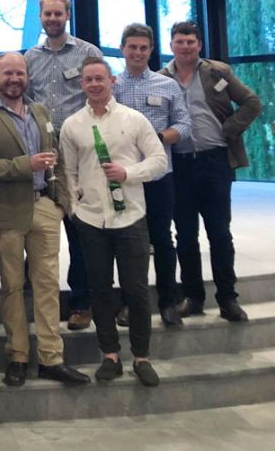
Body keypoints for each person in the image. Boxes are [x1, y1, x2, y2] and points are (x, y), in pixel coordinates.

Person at [0, 52, 90, 387]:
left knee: (48, 285)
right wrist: (27, 165)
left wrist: (62, 202)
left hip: (45, 209)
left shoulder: (40, 111)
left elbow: (57, 157)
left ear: (26, 76)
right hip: (7, 213)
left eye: (19, 72)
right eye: (8, 73)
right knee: (13, 287)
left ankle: (51, 358)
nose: (14, 78)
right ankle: (17, 355)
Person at [59, 57, 167, 387]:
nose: (94, 84)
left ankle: (142, 356)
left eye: (100, 79)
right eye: (88, 79)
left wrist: (128, 173)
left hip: (131, 216)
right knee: (100, 290)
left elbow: (159, 161)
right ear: (82, 84)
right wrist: (76, 207)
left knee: (136, 291)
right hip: (92, 220)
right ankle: (110, 355)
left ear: (112, 81)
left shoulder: (134, 120)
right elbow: (69, 172)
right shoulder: (72, 125)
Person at [159, 21, 261, 322]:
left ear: (199, 45)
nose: (185, 46)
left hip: (215, 161)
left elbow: (252, 102)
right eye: (180, 41)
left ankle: (228, 299)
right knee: (186, 235)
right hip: (179, 166)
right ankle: (193, 297)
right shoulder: (162, 78)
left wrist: (228, 129)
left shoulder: (218, 71)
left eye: (191, 41)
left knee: (219, 233)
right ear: (171, 45)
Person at [24, 0, 103, 330]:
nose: (52, 18)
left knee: (80, 229)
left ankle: (82, 302)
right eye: (47, 14)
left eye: (58, 13)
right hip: (41, 153)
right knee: (38, 228)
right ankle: (42, 299)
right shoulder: (29, 57)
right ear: (41, 17)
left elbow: (99, 94)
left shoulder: (88, 52)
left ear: (67, 15)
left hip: (79, 153)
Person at [114, 23, 192, 328]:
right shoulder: (112, 86)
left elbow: (185, 126)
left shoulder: (167, 86)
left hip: (159, 175)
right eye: (132, 47)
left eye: (143, 48)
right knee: (128, 242)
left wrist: (159, 138)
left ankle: (168, 302)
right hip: (125, 178)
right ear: (122, 49)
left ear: (150, 50)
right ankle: (130, 304)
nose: (137, 52)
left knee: (162, 239)